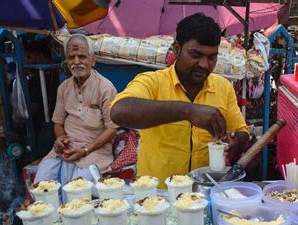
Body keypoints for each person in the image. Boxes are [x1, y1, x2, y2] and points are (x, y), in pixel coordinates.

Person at [109, 13, 249, 186]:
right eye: (195, 55)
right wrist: (187, 111)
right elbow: (119, 111)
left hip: (205, 191)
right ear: (176, 48)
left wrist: (236, 142)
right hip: (158, 195)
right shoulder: (153, 82)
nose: (204, 65)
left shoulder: (223, 87)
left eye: (212, 57)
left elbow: (241, 131)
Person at [34, 34, 118, 195]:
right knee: (41, 188)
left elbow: (111, 129)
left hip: (94, 152)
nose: (77, 62)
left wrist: (86, 150)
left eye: (82, 57)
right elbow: (58, 123)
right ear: (66, 61)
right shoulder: (63, 88)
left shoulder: (106, 88)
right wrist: (60, 139)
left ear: (92, 60)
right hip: (65, 149)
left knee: (75, 193)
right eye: (71, 57)